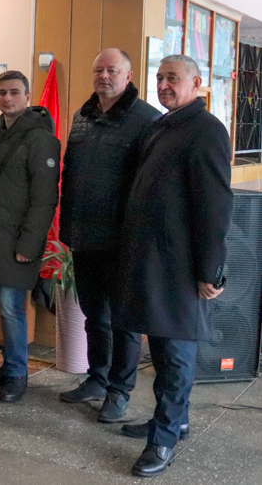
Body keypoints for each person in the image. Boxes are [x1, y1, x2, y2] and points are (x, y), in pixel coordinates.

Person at [114, 55, 233, 477]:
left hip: (183, 268)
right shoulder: (161, 126)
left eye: (173, 78)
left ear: (196, 83)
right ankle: (173, 421)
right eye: (160, 77)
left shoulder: (207, 130)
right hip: (152, 261)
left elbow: (216, 207)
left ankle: (163, 440)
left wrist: (211, 271)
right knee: (163, 353)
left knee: (177, 356)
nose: (164, 84)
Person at [57, 49, 161, 421]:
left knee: (124, 322)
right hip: (84, 236)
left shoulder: (147, 119)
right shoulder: (82, 116)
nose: (104, 76)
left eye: (112, 70)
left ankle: (119, 392)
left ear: (128, 76)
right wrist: (67, 227)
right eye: (98, 69)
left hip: (123, 242)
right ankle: (97, 379)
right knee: (93, 315)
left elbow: (150, 187)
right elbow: (70, 174)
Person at [0, 70, 60, 401]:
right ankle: (9, 366)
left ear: (27, 96)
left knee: (12, 308)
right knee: (3, 304)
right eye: (2, 92)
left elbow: (45, 199)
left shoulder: (41, 139)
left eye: (14, 92)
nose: (7, 98)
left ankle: (18, 376)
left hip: (19, 242)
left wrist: (29, 244)